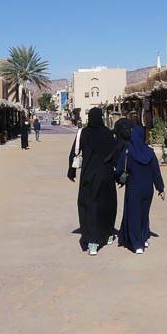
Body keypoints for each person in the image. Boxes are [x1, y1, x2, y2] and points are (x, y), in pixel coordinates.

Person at [68, 107, 118, 255]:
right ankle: (108, 234)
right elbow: (115, 154)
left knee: (89, 206)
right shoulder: (108, 134)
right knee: (107, 206)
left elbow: (74, 153)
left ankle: (92, 242)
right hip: (107, 177)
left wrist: (71, 172)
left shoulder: (84, 133)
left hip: (89, 177)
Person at [115, 125, 165, 254]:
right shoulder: (150, 152)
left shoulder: (128, 152)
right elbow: (156, 172)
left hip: (134, 189)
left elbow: (120, 169)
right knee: (144, 214)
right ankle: (143, 238)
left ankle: (137, 244)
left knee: (134, 216)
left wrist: (119, 180)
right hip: (148, 190)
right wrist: (161, 188)